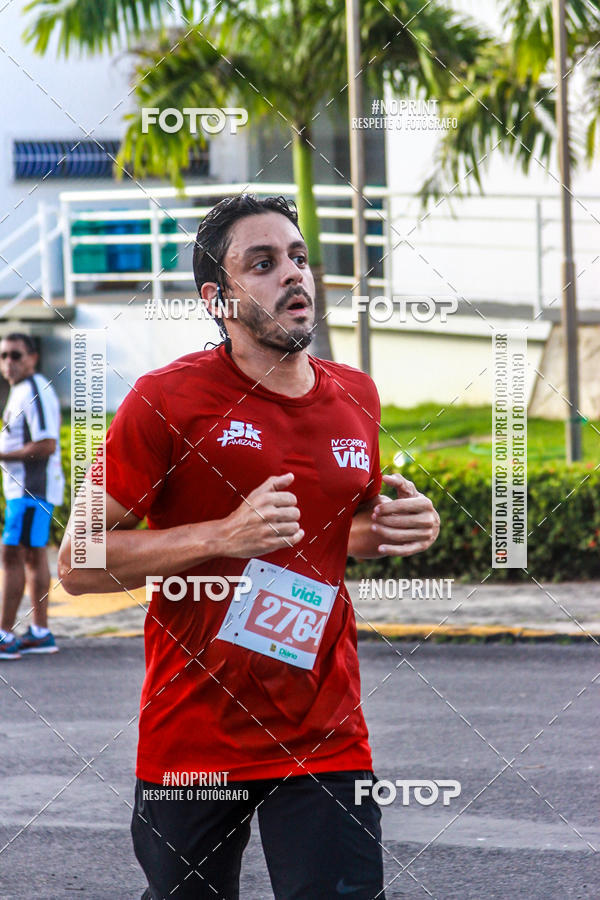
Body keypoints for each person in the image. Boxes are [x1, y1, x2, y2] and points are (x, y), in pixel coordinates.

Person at [58, 195, 440, 899]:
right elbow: (76, 563)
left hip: (324, 727)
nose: (292, 275)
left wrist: (396, 529)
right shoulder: (165, 400)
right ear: (218, 299)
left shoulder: (356, 395)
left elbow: (331, 534)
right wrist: (221, 535)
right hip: (194, 732)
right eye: (261, 264)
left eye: (297, 258)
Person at [0, 333, 64, 660]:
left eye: (16, 355)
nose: (9, 362)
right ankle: (40, 631)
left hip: (30, 490)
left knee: (11, 556)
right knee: (32, 556)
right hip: (27, 491)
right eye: (4, 356)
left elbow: (46, 446)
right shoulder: (22, 390)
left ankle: (4, 634)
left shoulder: (34, 390)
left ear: (32, 357)